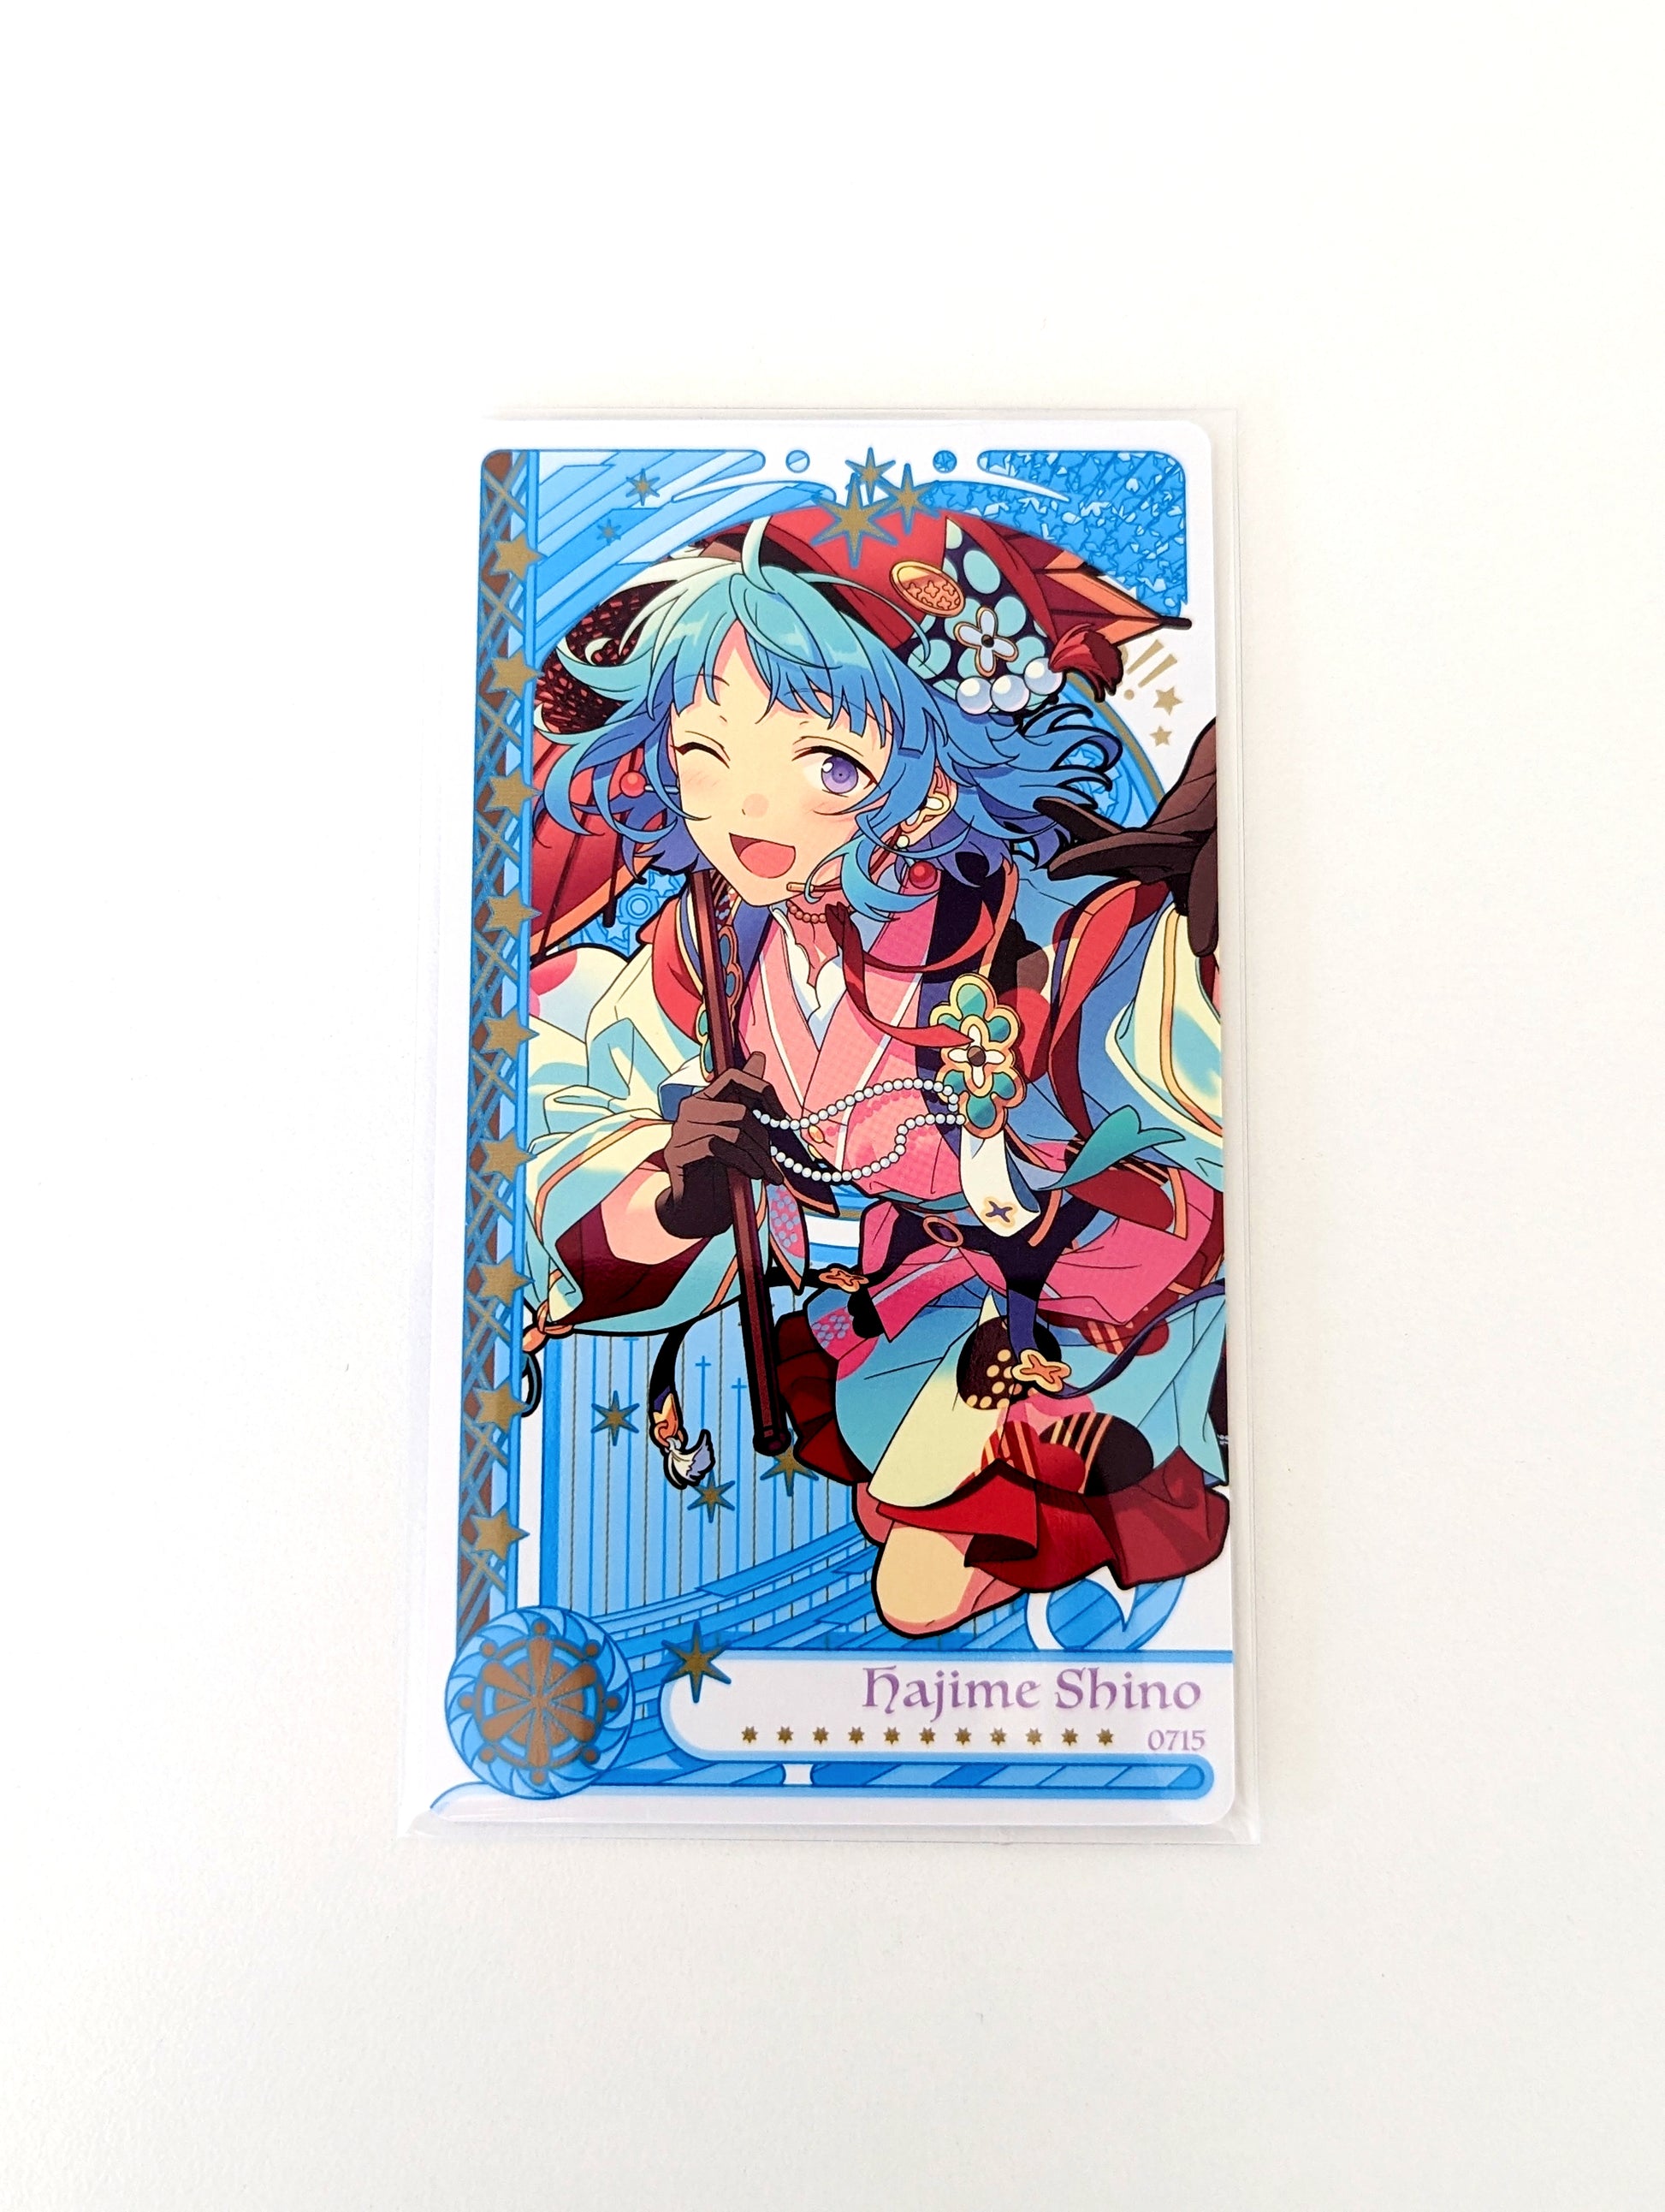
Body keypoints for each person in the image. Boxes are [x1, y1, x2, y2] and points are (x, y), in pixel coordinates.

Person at [521, 510, 1226, 1637]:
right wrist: (682, 1195)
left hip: (1093, 1301)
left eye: (823, 761)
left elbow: (1187, 1157)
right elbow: (586, 1113)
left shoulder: (1051, 941)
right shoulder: (714, 947)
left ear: (929, 775)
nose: (746, 812)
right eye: (704, 755)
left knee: (925, 1573)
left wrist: (1055, 1316)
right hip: (914, 1296)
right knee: (913, 1571)